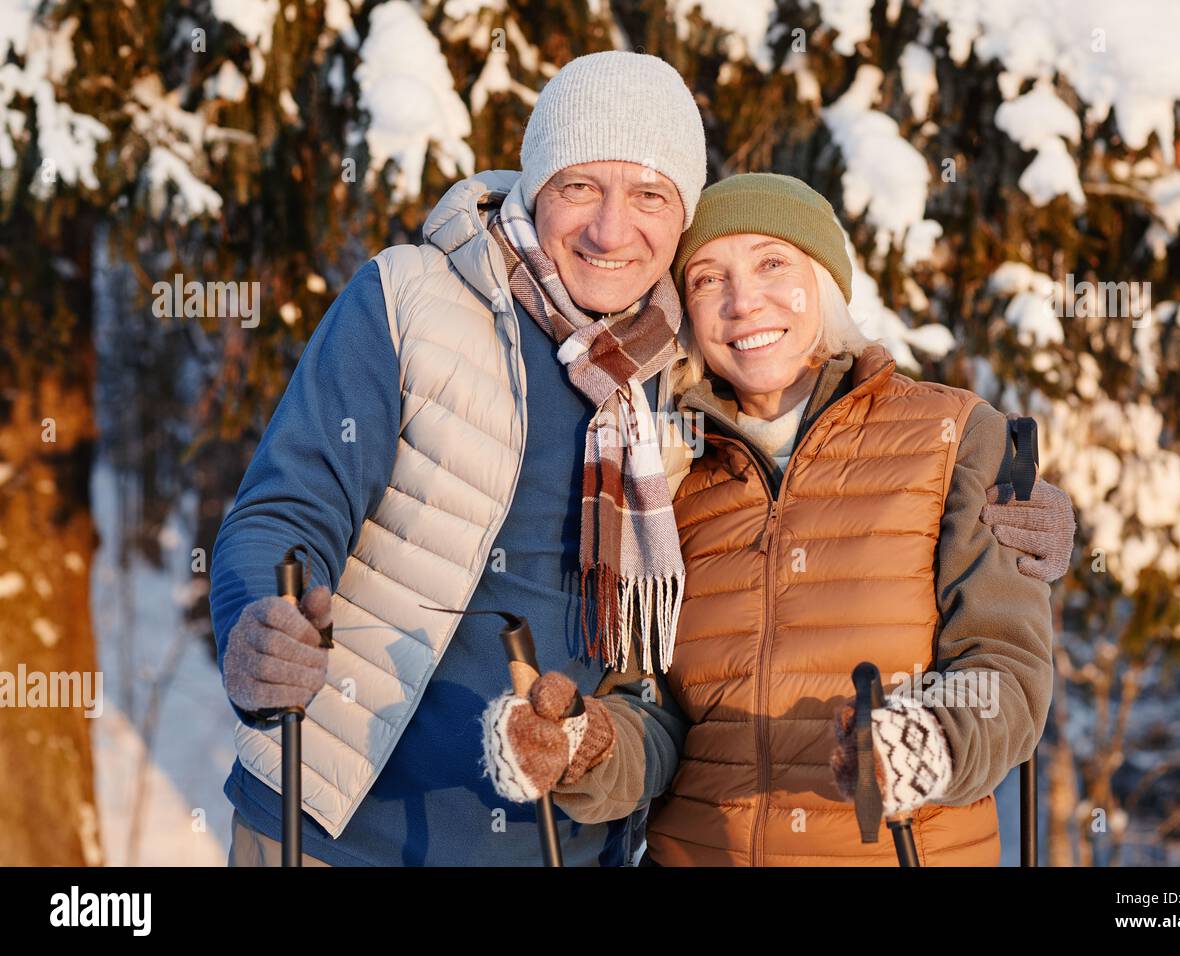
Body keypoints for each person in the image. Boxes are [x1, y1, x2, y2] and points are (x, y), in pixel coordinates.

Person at [214, 49, 1069, 866]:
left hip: (568, 848)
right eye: (580, 185)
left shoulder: (677, 400)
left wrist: (1033, 534)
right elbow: (289, 510)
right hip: (342, 831)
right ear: (536, 186)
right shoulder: (423, 307)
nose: (611, 228)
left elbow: (999, 655)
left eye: (652, 196)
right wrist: (263, 624)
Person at [482, 173, 1073, 866]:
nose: (742, 302)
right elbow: (660, 718)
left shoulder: (955, 434)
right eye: (706, 280)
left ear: (821, 280)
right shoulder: (664, 467)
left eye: (772, 264)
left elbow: (1006, 670)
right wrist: (589, 748)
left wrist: (925, 741)